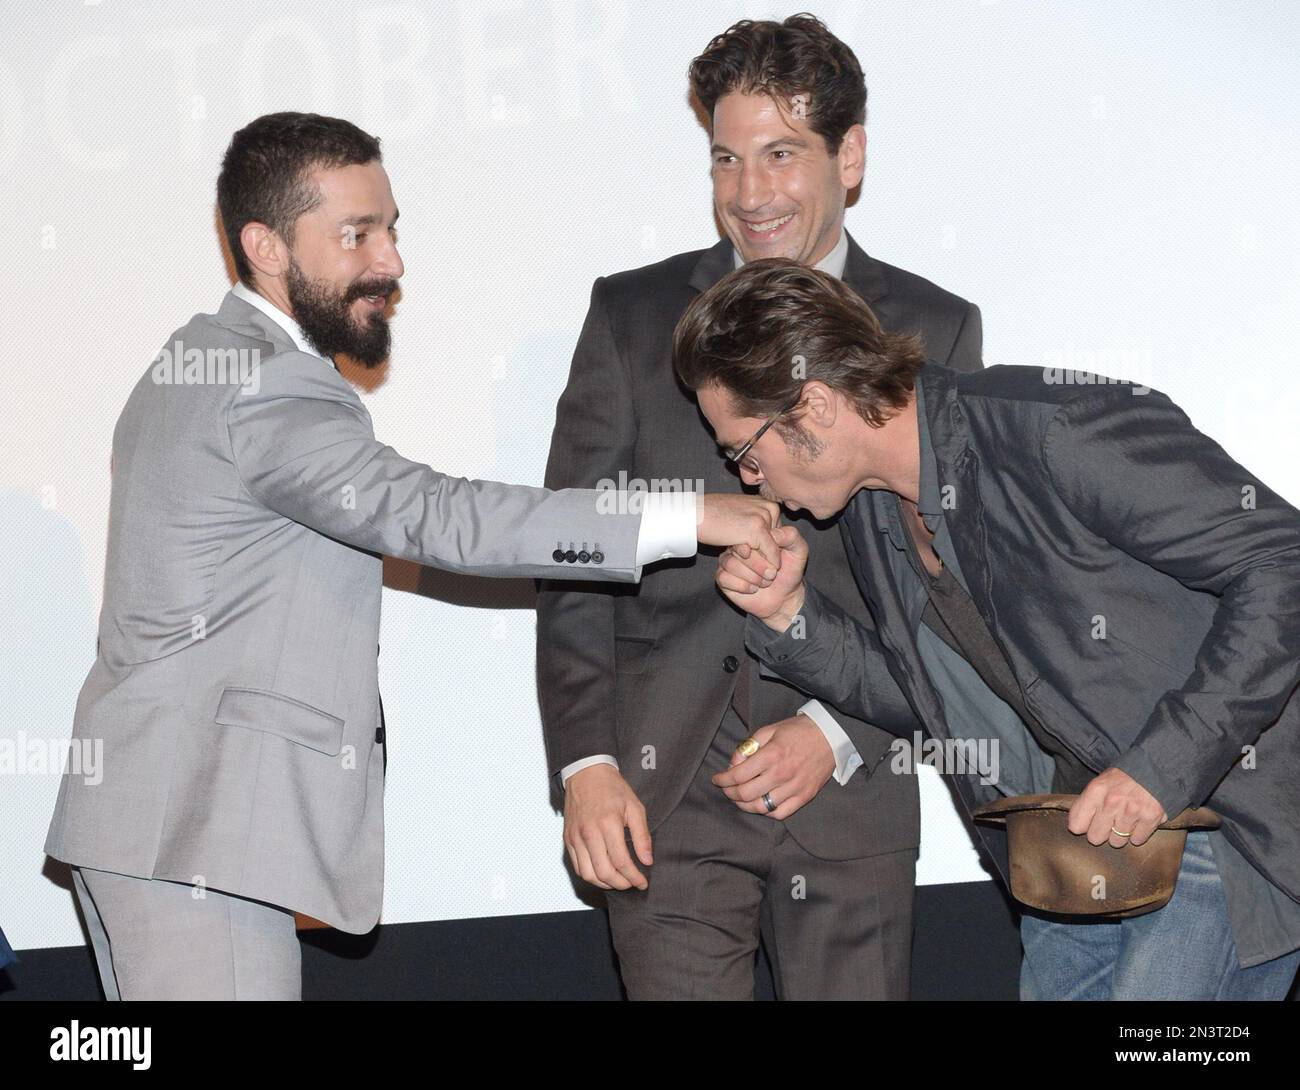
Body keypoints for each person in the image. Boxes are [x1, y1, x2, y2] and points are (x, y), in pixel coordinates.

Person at [43, 112, 781, 1001]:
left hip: (157, 831)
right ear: (264, 245)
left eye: (390, 229)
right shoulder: (263, 381)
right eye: (356, 234)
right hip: (197, 837)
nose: (390, 262)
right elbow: (440, 517)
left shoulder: (194, 361)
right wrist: (686, 515)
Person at [679, 257, 1300, 1000]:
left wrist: (1160, 770)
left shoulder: (1052, 429)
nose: (748, 479)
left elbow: (1281, 565)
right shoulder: (877, 513)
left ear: (813, 407)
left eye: (744, 450)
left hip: (1213, 828)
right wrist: (789, 614)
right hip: (1071, 858)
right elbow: (932, 705)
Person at [537, 14, 981, 999]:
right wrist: (586, 765)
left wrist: (836, 732)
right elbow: (571, 549)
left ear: (848, 155)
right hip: (663, 801)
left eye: (779, 155)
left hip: (851, 790)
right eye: (726, 159)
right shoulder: (630, 317)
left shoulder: (931, 328)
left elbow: (950, 588)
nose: (747, 194)